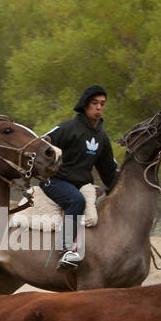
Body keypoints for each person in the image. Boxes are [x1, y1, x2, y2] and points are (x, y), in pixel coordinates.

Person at [40, 84, 118, 269]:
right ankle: (64, 249)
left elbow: (109, 172)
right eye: (94, 103)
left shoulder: (102, 138)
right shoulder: (67, 128)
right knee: (76, 201)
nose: (99, 107)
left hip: (80, 184)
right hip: (54, 181)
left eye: (102, 104)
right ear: (85, 105)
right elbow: (40, 145)